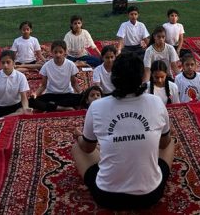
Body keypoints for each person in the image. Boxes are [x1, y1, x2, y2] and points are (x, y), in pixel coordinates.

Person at [71, 53, 174, 211]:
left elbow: (87, 148)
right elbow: (164, 143)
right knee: (170, 141)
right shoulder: (156, 102)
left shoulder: (97, 106)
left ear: (114, 76)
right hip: (150, 194)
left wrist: (79, 136)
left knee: (77, 147)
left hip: (108, 197)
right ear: (141, 78)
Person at [30, 40, 82, 111]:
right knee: (31, 101)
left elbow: (74, 83)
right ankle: (62, 108)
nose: (58, 55)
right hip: (51, 94)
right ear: (52, 52)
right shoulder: (46, 66)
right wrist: (35, 94)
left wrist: (82, 94)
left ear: (65, 52)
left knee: (82, 98)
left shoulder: (71, 65)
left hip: (67, 94)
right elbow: (43, 86)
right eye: (55, 52)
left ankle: (52, 106)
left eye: (60, 52)